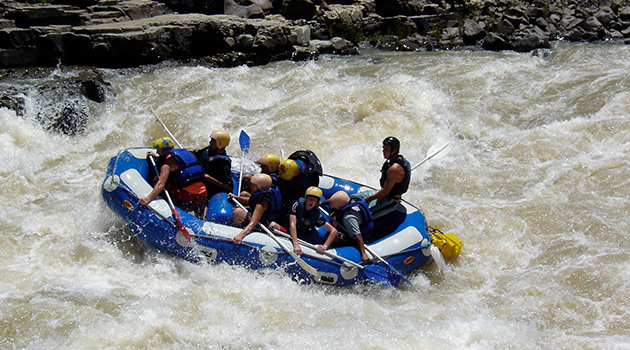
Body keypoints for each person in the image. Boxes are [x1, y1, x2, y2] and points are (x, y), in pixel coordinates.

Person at [140, 137, 207, 216]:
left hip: (188, 197)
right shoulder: (186, 152)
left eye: (158, 150)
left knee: (160, 181)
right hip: (203, 195)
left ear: (161, 150)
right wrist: (158, 157)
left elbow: (160, 184)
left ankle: (172, 203)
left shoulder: (167, 164)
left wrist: (148, 199)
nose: (157, 152)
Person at [363, 136, 411, 217]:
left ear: (394, 150)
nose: (383, 151)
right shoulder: (395, 160)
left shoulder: (394, 169)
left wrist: (367, 199)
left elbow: (385, 191)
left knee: (365, 216)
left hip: (391, 200)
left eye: (386, 149)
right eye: (383, 148)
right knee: (353, 198)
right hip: (385, 195)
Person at [282, 186, 338, 255]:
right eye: (310, 199)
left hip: (302, 236)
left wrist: (324, 247)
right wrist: (295, 244)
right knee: (273, 225)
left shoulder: (317, 215)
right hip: (287, 231)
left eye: (314, 200)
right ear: (306, 198)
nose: (311, 202)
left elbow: (333, 231)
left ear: (317, 202)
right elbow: (292, 224)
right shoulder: (296, 205)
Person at [232, 173, 283, 244]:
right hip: (263, 219)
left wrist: (241, 235)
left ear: (259, 187)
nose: (251, 187)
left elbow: (254, 221)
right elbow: (252, 204)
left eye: (253, 185)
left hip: (264, 225)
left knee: (237, 212)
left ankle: (237, 231)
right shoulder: (266, 190)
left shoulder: (262, 202)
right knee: (241, 205)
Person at [324, 190, 374, 265]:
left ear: (339, 207)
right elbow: (333, 201)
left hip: (357, 238)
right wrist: (321, 203)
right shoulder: (350, 200)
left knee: (330, 234)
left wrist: (364, 254)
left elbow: (358, 236)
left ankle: (332, 249)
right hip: (355, 226)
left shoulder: (348, 218)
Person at [192, 130, 234, 198]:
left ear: (220, 144)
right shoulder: (209, 149)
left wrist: (210, 179)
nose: (210, 142)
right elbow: (196, 153)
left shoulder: (222, 162)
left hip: (209, 188)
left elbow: (230, 188)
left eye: (213, 140)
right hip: (198, 179)